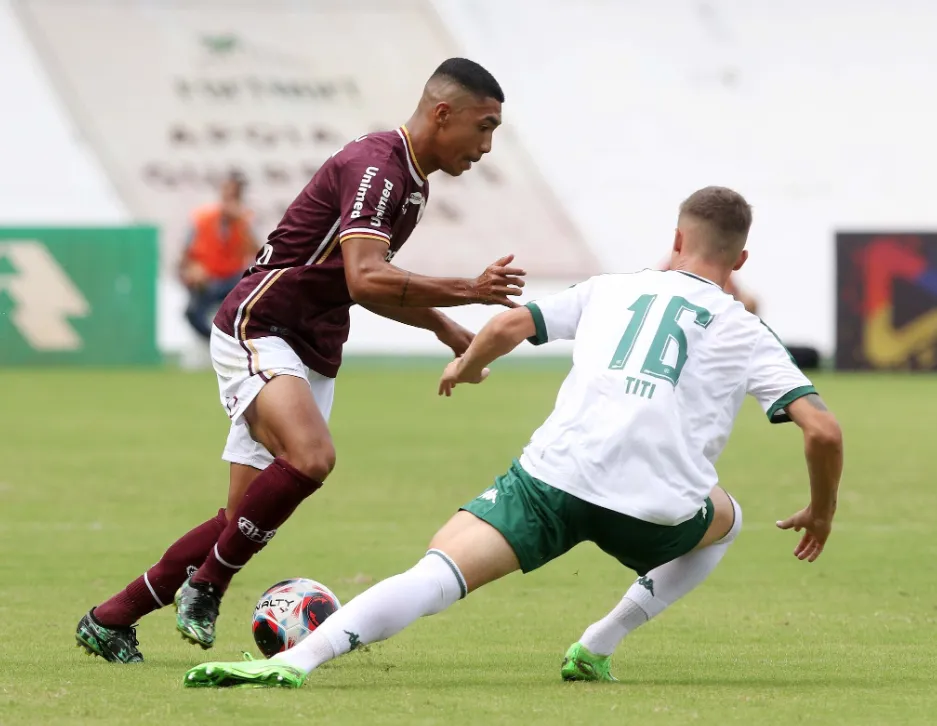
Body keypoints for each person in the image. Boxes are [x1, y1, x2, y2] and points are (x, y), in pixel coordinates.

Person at [180, 185, 844, 690]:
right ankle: (597, 644)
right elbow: (821, 431)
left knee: (436, 573)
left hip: (553, 481)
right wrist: (821, 509)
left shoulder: (612, 289)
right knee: (724, 522)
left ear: (676, 238)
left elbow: (506, 326)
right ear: (741, 259)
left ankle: (298, 660)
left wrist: (465, 366)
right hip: (652, 509)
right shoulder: (745, 329)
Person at [76, 57, 524, 663]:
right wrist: (469, 291)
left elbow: (370, 282)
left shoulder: (413, 183)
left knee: (239, 518)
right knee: (311, 458)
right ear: (443, 114)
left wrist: (447, 328)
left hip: (312, 343)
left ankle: (112, 618)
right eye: (485, 126)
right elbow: (368, 279)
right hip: (261, 325)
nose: (487, 145)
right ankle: (208, 585)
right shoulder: (378, 167)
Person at [180, 172, 259, 340]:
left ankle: (239, 342)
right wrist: (193, 270)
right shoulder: (202, 218)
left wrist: (241, 223)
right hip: (208, 279)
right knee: (192, 313)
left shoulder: (245, 220)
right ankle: (214, 343)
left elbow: (256, 251)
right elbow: (186, 255)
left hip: (234, 279)